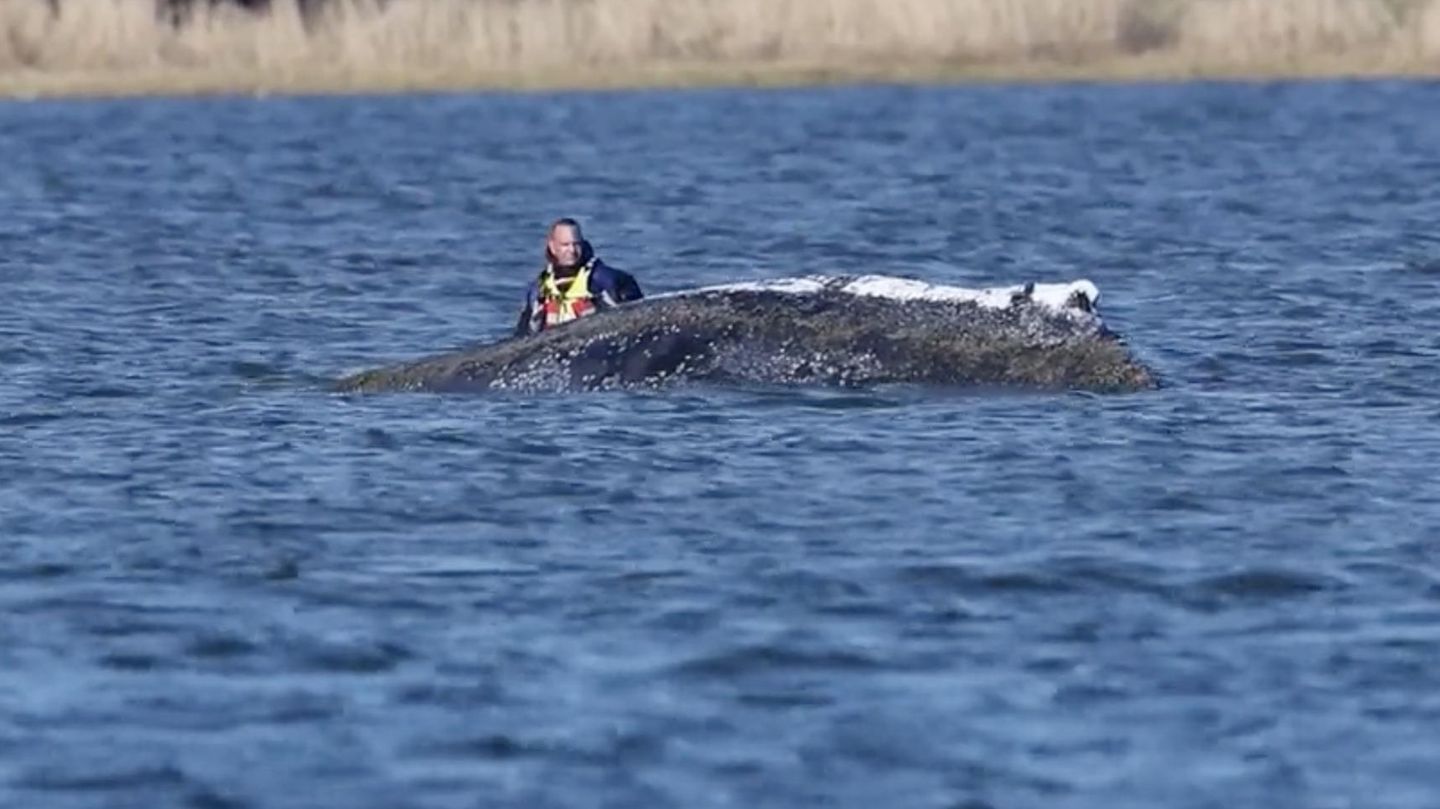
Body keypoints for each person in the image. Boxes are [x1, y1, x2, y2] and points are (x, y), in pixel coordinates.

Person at [514, 218, 644, 337]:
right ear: (553, 247)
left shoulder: (608, 280)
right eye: (565, 245)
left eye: (576, 244)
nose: (572, 250)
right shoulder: (538, 291)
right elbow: (522, 336)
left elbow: (637, 322)